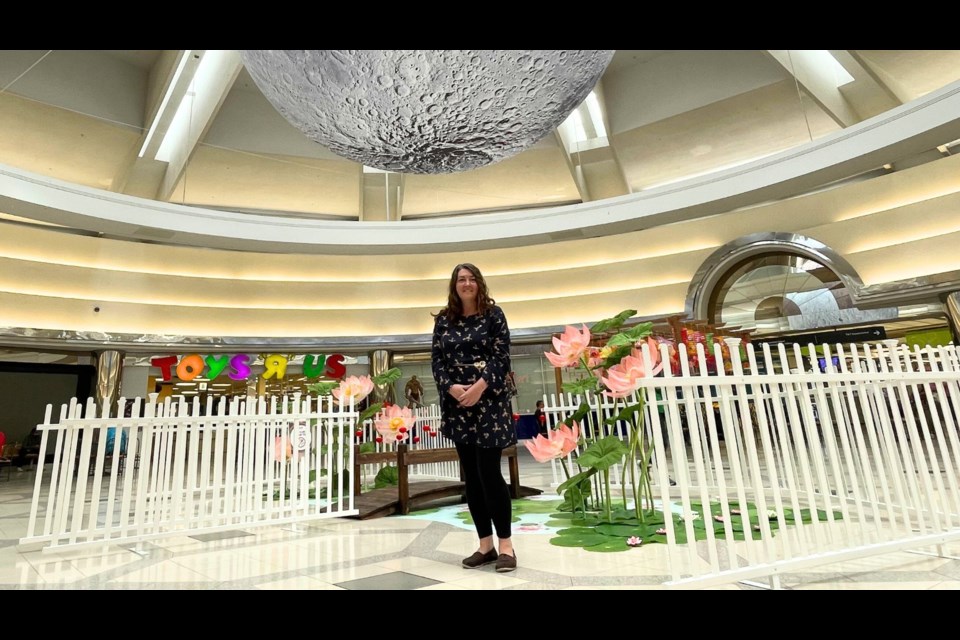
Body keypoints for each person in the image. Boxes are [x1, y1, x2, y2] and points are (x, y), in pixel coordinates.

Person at [431, 263, 517, 573]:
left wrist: (480, 387)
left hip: (488, 402)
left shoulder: (494, 315)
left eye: (471, 279)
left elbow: (501, 355)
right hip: (458, 405)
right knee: (471, 476)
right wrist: (452, 388)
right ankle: (485, 545)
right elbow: (437, 360)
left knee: (489, 473)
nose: (466, 284)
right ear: (454, 286)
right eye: (460, 279)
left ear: (479, 284)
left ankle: (506, 545)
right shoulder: (444, 320)